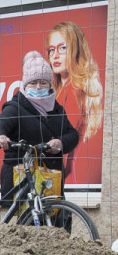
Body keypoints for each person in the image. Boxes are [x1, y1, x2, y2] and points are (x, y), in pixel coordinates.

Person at [0, 52, 78, 208]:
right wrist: (0, 136)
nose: (38, 87)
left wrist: (61, 142)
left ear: (50, 84)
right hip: (21, 180)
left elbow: (73, 135)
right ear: (25, 85)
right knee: (23, 228)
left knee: (57, 225)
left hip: (51, 181)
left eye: (43, 82)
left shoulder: (57, 110)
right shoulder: (15, 107)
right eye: (33, 83)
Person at [45, 20, 102, 178]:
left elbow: (63, 136)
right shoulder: (60, 89)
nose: (55, 55)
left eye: (62, 48)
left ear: (76, 50)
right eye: (51, 50)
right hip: (60, 174)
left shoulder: (75, 90)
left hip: (63, 176)